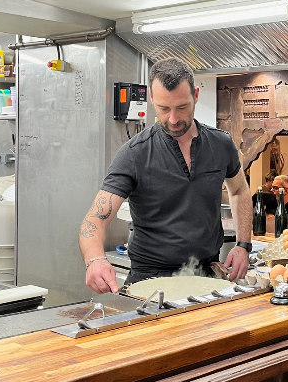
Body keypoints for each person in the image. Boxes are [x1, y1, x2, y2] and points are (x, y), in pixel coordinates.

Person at [78, 58, 252, 294]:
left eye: (182, 107)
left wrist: (243, 244)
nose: (173, 119)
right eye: (163, 108)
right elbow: (94, 220)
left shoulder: (220, 144)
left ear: (196, 95)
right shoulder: (135, 154)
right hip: (150, 282)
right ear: (151, 98)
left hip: (208, 277)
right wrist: (95, 259)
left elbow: (239, 190)